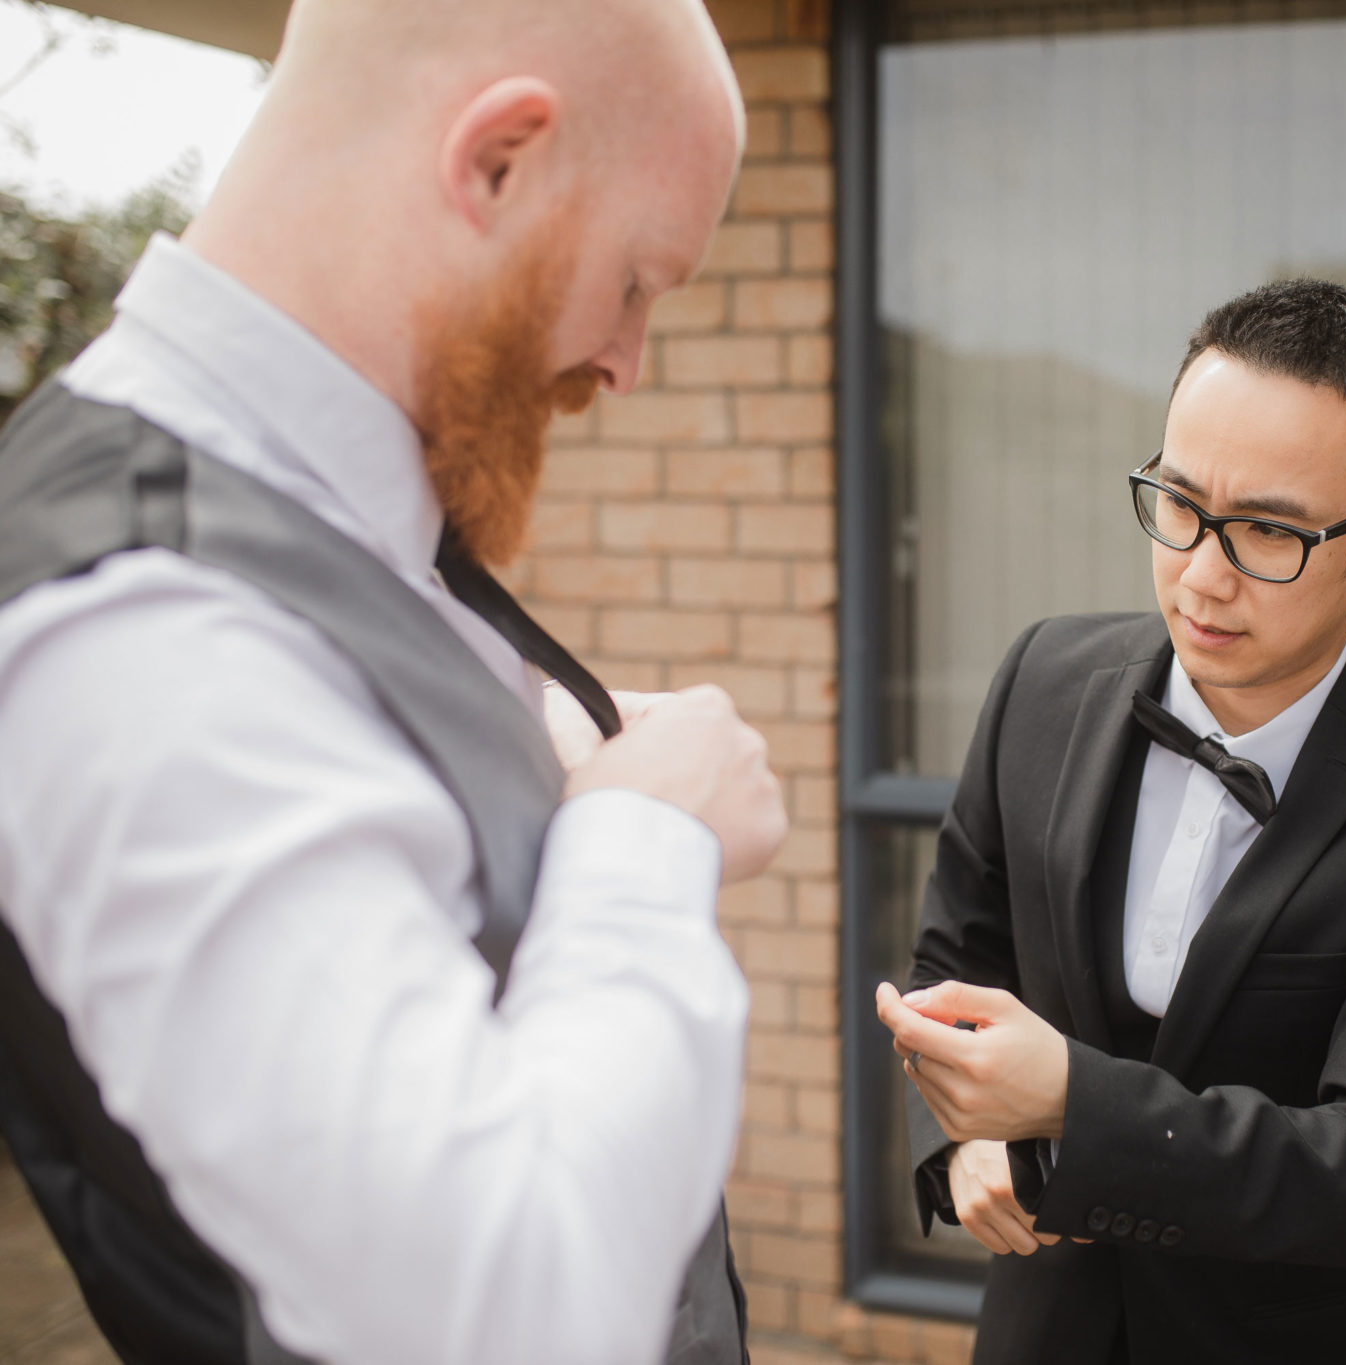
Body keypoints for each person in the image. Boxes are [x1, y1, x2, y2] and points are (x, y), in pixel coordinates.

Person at [0, 1, 784, 1362]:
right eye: (637, 283)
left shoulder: (326, 512)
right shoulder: (145, 621)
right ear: (497, 161)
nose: (624, 363)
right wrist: (648, 833)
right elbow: (506, 1309)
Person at [876, 280, 1346, 1364]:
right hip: (1041, 1331)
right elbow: (953, 958)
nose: (1199, 575)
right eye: (1179, 503)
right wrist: (952, 1146)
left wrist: (1067, 1103)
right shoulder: (1041, 678)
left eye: (1267, 535)